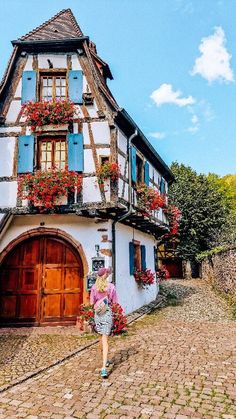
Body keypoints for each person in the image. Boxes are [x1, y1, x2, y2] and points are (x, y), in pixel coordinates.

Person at [90, 267, 118, 378]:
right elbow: (115, 302)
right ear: (106, 275)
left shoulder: (93, 287)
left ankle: (105, 360)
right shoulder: (111, 287)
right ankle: (103, 368)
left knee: (102, 337)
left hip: (98, 314)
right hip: (106, 314)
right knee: (105, 339)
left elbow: (92, 302)